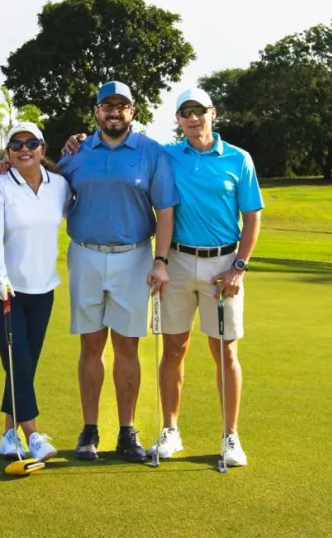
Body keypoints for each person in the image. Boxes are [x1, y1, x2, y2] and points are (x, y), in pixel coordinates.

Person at [56, 81, 178, 463]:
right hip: (86, 254)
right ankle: (89, 429)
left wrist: (161, 260)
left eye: (121, 106)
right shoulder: (76, 153)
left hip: (134, 256)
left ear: (133, 111)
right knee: (91, 345)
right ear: (96, 112)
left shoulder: (150, 152)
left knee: (128, 345)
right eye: (106, 106)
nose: (113, 112)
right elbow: (42, 185)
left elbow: (166, 211)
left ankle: (127, 431)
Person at [147, 87, 263, 467]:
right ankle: (170, 430)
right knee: (174, 348)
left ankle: (231, 436)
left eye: (200, 111)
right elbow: (128, 149)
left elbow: (252, 218)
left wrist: (239, 268)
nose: (193, 118)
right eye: (185, 112)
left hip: (222, 266)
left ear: (213, 113)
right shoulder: (167, 156)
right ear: (178, 120)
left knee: (224, 350)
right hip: (177, 262)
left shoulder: (238, 159)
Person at [0, 123, 72, 464]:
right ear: (8, 153)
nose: (24, 149)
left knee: (24, 366)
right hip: (3, 290)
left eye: (31, 143)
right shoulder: (0, 184)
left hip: (43, 289)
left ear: (42, 149)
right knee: (18, 362)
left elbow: (73, 212)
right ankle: (33, 435)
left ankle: (9, 435)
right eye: (16, 144)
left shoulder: (60, 186)